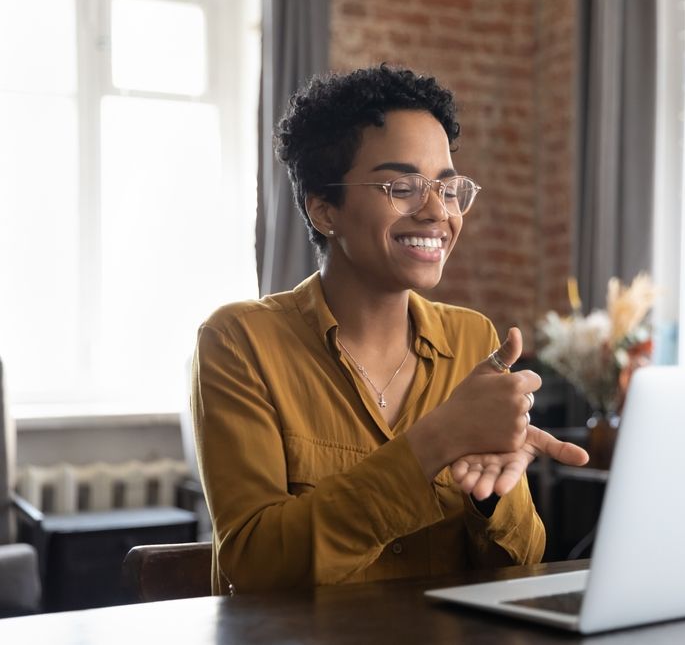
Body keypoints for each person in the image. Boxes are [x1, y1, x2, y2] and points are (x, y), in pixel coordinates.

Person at [191, 65, 589, 594]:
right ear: (324, 208)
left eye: (448, 190)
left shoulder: (474, 342)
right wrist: (433, 443)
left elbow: (522, 564)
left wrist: (492, 497)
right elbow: (256, 564)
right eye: (402, 186)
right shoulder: (240, 342)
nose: (435, 212)